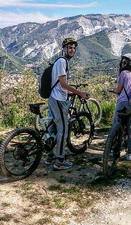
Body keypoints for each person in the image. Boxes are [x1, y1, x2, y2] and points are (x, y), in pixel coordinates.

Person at [46, 37, 89, 170]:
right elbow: (63, 84)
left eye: (74, 48)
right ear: (64, 49)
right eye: (69, 47)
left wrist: (69, 93)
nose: (72, 50)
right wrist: (80, 93)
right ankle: (59, 161)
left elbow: (60, 84)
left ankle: (50, 156)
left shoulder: (60, 62)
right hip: (58, 100)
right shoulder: (62, 61)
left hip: (54, 97)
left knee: (52, 128)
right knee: (63, 130)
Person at [109, 53, 131, 161]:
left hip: (124, 104)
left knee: (115, 125)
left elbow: (118, 90)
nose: (122, 64)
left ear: (129, 63)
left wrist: (113, 90)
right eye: (122, 62)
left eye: (124, 62)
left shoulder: (124, 73)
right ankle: (129, 154)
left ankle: (114, 150)